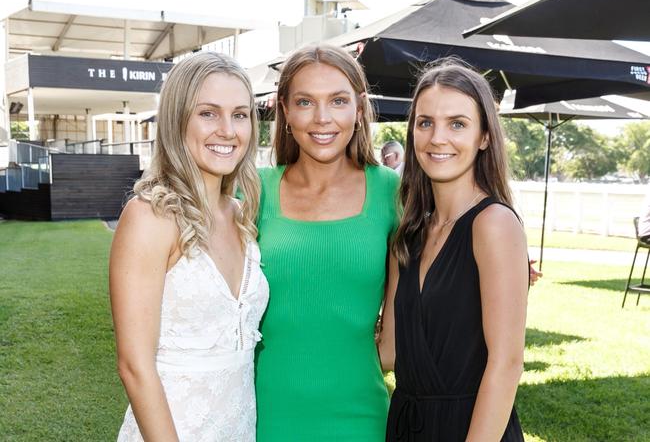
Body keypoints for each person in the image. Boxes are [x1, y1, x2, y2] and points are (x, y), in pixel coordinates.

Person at [110, 52, 268, 441]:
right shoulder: (149, 217)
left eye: (240, 114)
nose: (228, 130)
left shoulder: (241, 216)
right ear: (177, 119)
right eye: (208, 113)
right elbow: (134, 365)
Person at [254, 44, 400, 441]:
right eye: (305, 102)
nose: (322, 118)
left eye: (337, 100)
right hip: (262, 416)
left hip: (361, 418)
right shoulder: (252, 192)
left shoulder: (391, 192)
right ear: (284, 110)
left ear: (359, 107)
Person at [379, 59, 528, 441]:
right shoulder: (408, 234)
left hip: (473, 428)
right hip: (406, 425)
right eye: (425, 122)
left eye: (457, 124)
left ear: (484, 137)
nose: (437, 138)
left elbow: (507, 364)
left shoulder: (493, 223)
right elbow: (389, 353)